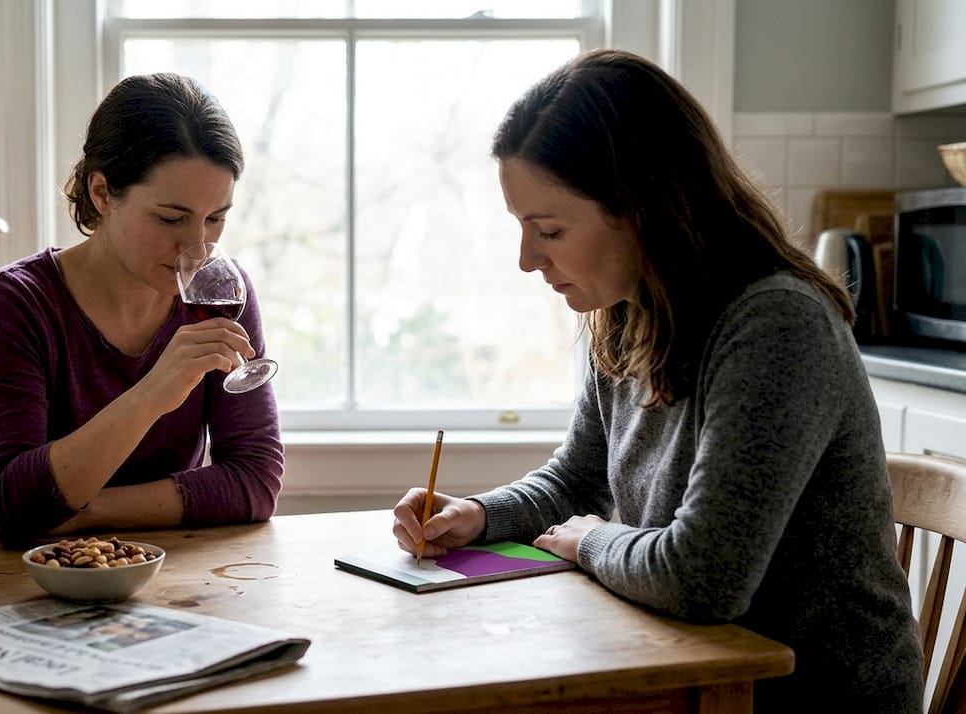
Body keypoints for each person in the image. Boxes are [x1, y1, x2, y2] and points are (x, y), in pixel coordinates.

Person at [392, 49, 922, 710]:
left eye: (548, 229)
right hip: (687, 667)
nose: (527, 259)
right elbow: (577, 479)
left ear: (640, 207)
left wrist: (591, 542)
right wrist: (477, 515)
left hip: (801, 696)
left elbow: (702, 577)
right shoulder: (624, 309)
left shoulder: (777, 327)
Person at [0, 73, 284, 549]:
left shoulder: (220, 293)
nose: (199, 245)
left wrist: (84, 511)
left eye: (216, 218)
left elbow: (255, 481)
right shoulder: (14, 304)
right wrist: (152, 395)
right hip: (38, 587)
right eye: (170, 218)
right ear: (101, 193)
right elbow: (4, 506)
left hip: (179, 582)